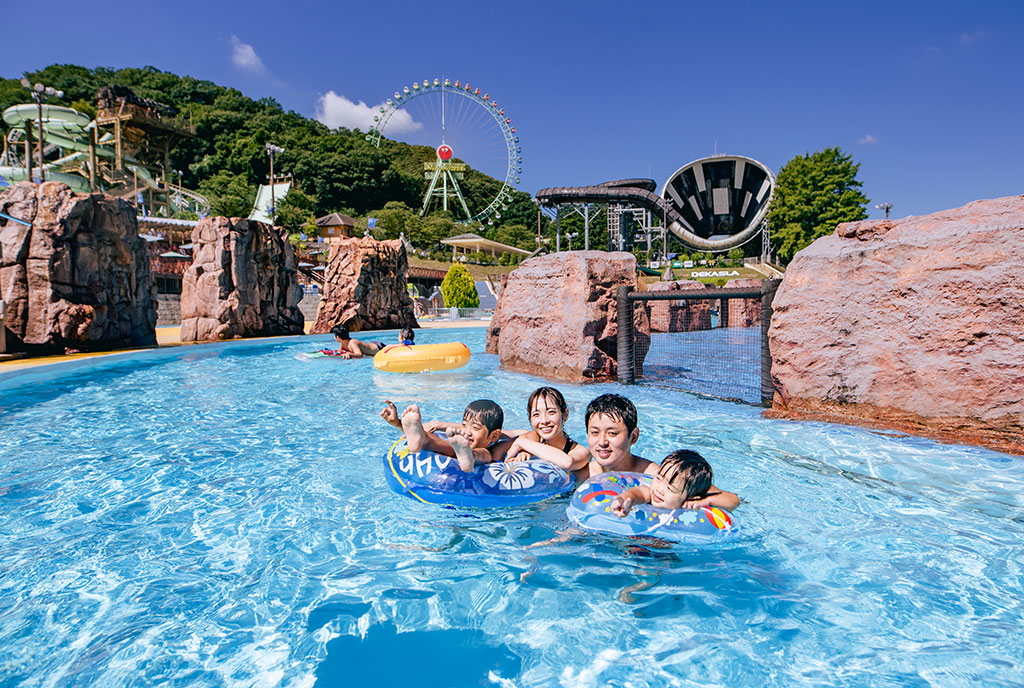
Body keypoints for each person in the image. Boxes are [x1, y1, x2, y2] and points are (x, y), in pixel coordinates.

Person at [582, 393, 739, 510]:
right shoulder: (581, 474)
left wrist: (704, 502)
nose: (602, 442)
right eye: (594, 433)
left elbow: (732, 500)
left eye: (612, 433)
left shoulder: (656, 475)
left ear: (634, 436)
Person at [380, 400, 509, 472]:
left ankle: (469, 456)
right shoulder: (460, 439)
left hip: (479, 457)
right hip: (458, 450)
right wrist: (398, 423)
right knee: (443, 442)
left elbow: (521, 435)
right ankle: (423, 439)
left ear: (494, 436)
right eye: (464, 425)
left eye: (475, 428)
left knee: (483, 454)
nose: (468, 431)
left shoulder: (494, 449)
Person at [504, 387, 591, 481]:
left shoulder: (581, 452)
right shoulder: (532, 439)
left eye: (551, 412)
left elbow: (567, 463)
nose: (544, 421)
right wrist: (524, 451)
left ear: (565, 414)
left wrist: (522, 443)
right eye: (536, 414)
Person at [610, 450, 730, 517]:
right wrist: (623, 500)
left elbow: (733, 502)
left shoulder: (690, 507)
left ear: (690, 498)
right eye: (659, 478)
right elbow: (636, 494)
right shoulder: (650, 494)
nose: (659, 489)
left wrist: (706, 501)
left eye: (671, 488)